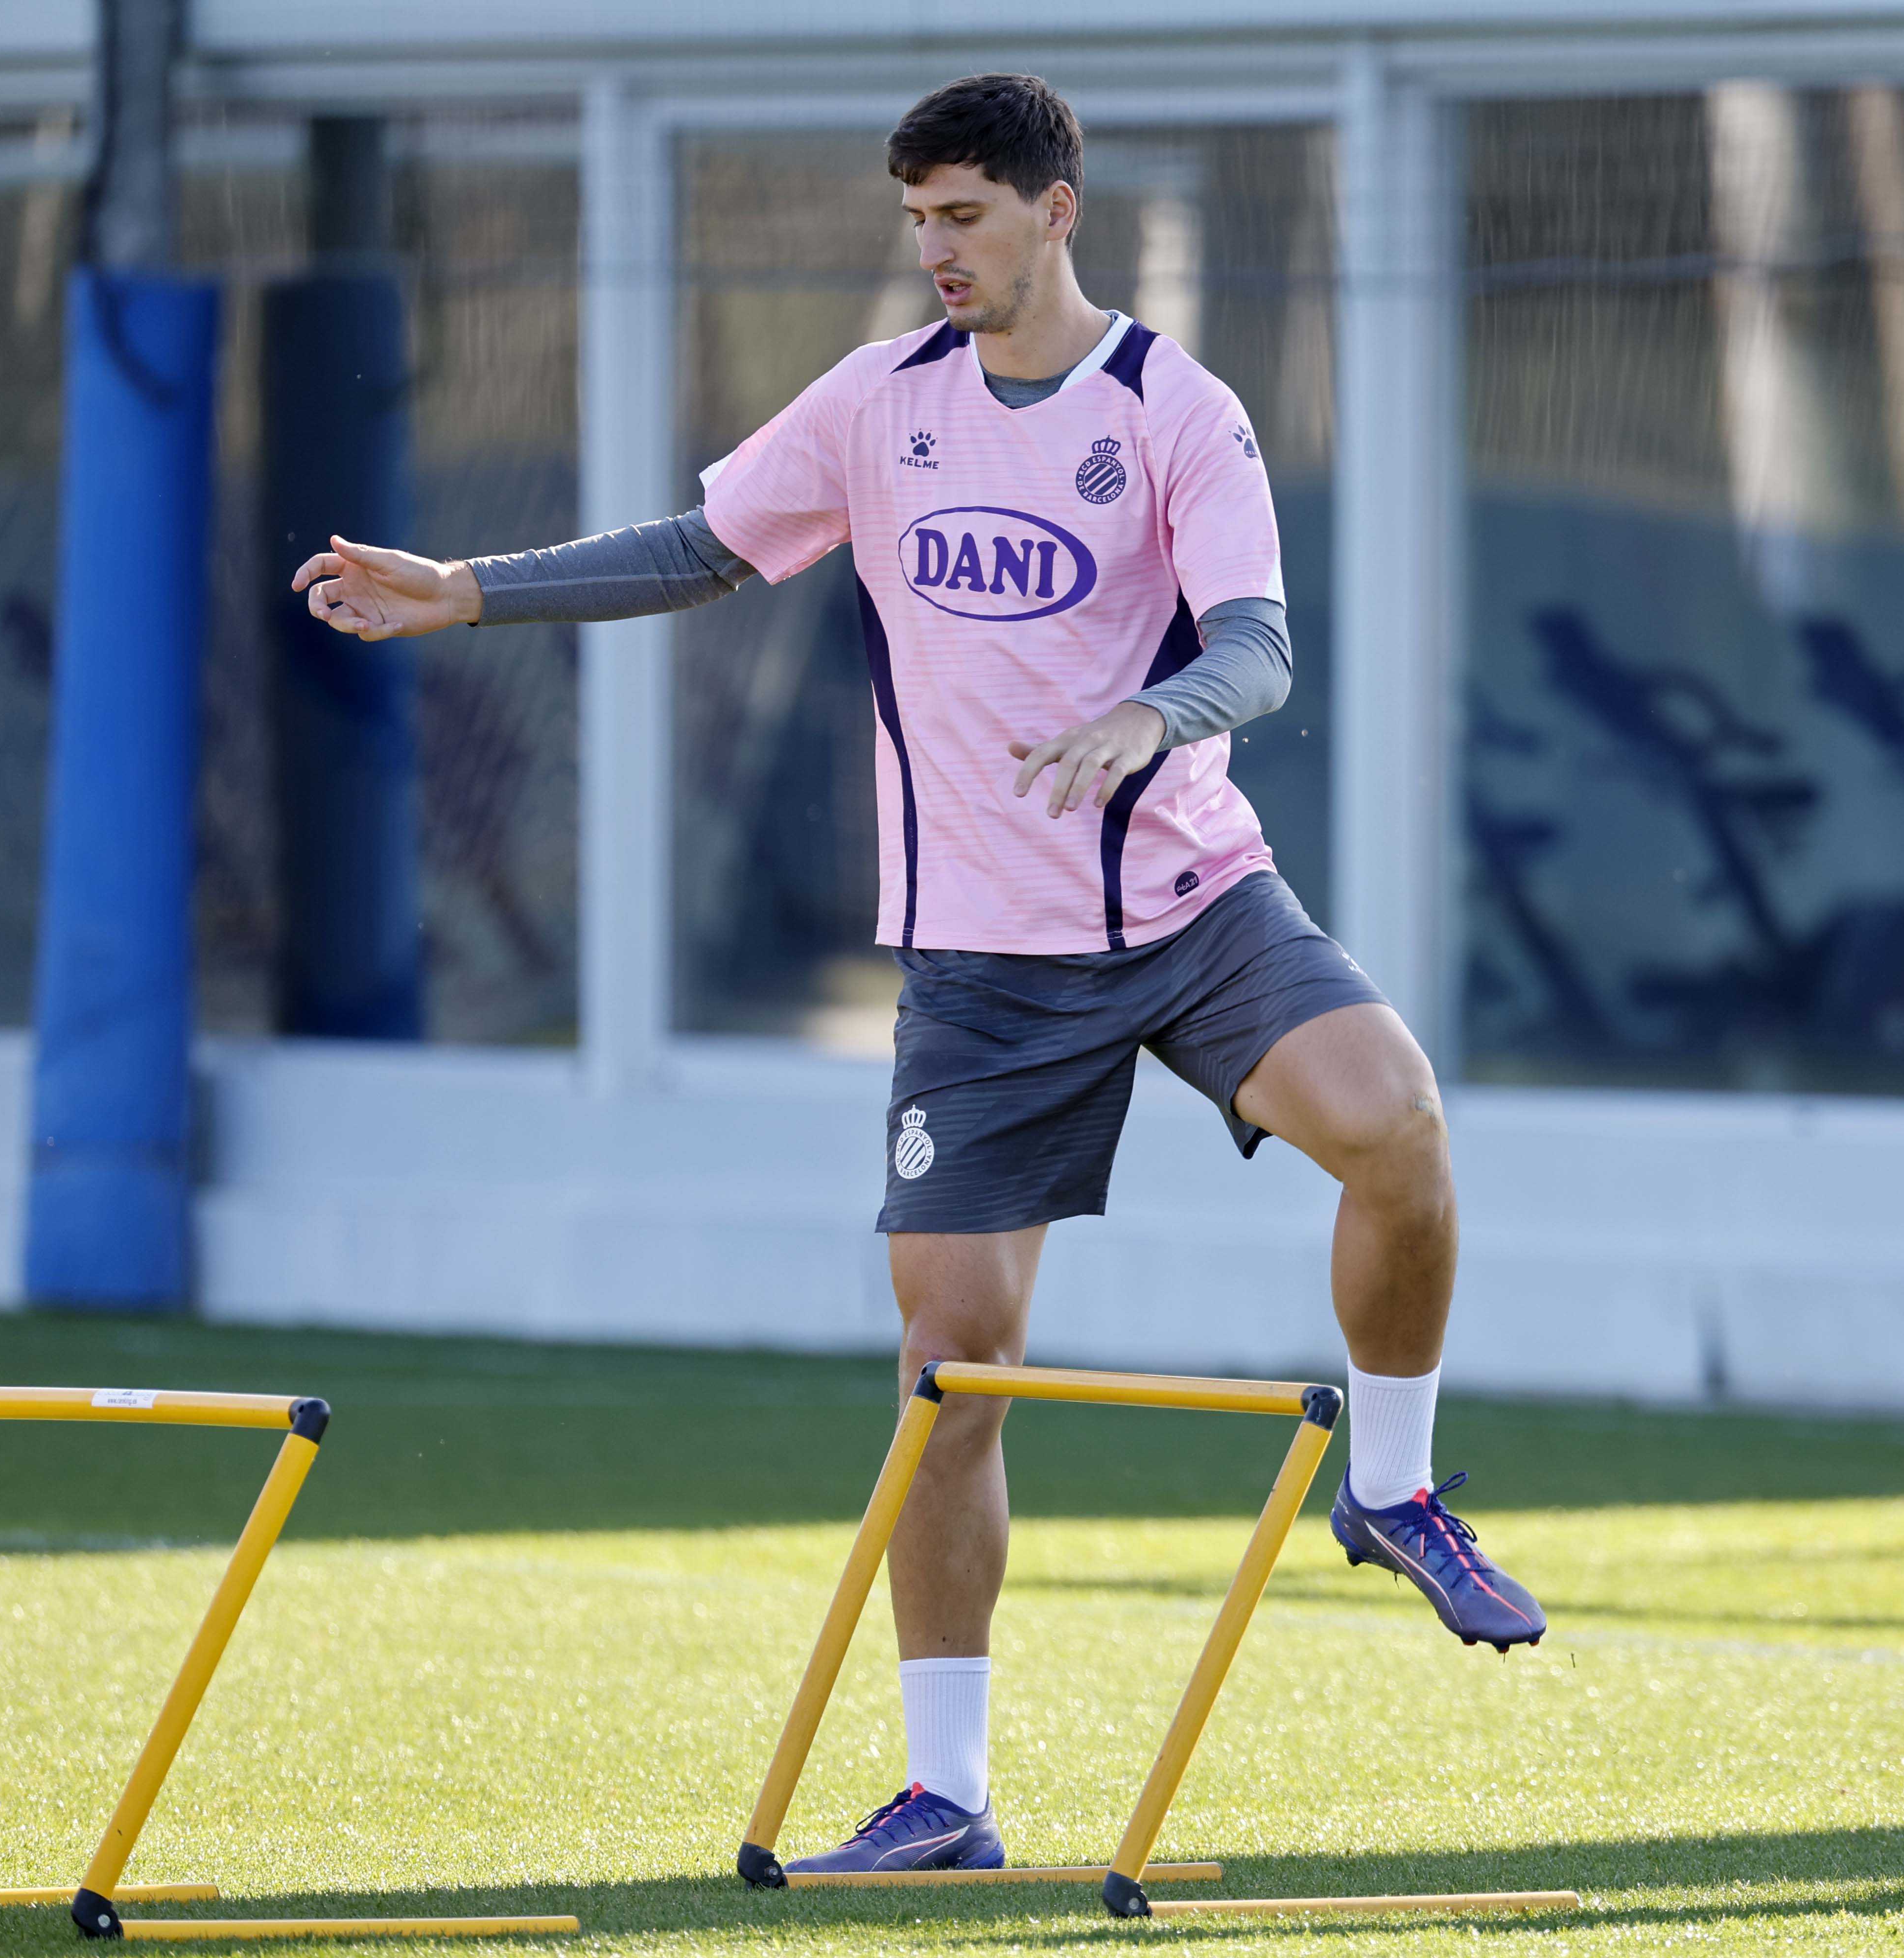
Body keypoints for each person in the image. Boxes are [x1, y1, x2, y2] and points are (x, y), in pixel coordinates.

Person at [289, 71, 1543, 1877]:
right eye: (918, 221)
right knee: (953, 1368)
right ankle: (948, 1797)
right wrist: (467, 588)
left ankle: (1396, 1487)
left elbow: (1260, 650)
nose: (938, 249)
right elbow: (701, 552)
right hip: (978, 965)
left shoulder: (1177, 407)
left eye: (965, 215)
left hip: (1191, 905)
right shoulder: (881, 402)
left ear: (1057, 208)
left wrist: (1150, 715)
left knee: (1398, 1124)